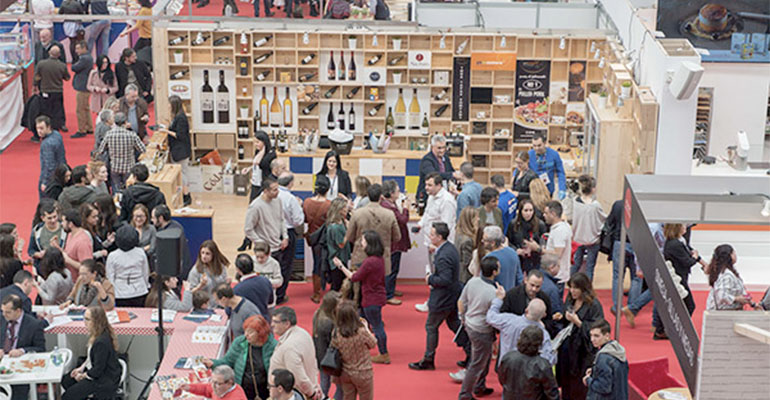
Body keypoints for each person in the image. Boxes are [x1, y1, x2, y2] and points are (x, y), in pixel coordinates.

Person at [409, 222, 465, 371]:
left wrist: (430, 279)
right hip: (452, 295)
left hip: (442, 298)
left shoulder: (443, 255)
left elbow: (444, 279)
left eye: (432, 234)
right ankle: (471, 352)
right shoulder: (449, 248)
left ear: (439, 237)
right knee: (454, 324)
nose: (430, 236)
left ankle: (428, 359)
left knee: (431, 326)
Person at [336, 231, 390, 364]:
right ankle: (366, 346)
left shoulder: (369, 261)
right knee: (364, 322)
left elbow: (353, 277)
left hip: (371, 298)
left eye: (364, 241)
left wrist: (341, 266)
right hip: (375, 296)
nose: (361, 243)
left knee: (376, 326)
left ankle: (384, 353)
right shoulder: (378, 259)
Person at [344, 184, 400, 299]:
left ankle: (360, 314)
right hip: (382, 256)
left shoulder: (357, 213)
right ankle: (375, 315)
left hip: (360, 254)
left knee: (358, 290)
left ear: (368, 196)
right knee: (377, 289)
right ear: (381, 197)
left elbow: (349, 236)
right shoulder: (389, 214)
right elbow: (397, 237)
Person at [202, 315, 278, 400]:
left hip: (266, 392)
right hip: (242, 390)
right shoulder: (240, 342)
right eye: (245, 331)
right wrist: (213, 363)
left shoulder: (274, 347)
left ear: (261, 333)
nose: (246, 335)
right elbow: (227, 361)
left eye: (251, 332)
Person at [556, 272, 604, 400]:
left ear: (584, 288)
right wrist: (562, 317)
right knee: (565, 378)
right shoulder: (570, 299)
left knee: (579, 384)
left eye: (575, 288)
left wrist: (578, 322)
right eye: (571, 287)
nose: (572, 291)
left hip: (583, 350)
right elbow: (566, 317)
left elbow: (598, 329)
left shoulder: (594, 305)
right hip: (568, 346)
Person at [457, 257, 498, 399]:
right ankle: (465, 394)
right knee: (477, 363)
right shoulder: (493, 292)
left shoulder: (472, 281)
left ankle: (479, 386)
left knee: (483, 359)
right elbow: (494, 316)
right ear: (495, 271)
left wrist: (462, 318)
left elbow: (461, 301)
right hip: (482, 330)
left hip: (470, 325)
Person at [243, 178, 290, 302]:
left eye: (278, 189)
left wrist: (285, 236)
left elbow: (281, 220)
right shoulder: (255, 206)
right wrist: (261, 243)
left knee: (278, 276)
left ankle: (277, 299)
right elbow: (248, 229)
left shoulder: (278, 201)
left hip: (278, 246)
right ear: (265, 191)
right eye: (274, 190)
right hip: (264, 250)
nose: (278, 192)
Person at [487, 284, 556, 367]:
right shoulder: (543, 333)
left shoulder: (509, 320)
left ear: (526, 310)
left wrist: (498, 299)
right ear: (544, 315)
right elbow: (549, 359)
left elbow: (490, 317)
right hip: (527, 372)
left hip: (506, 366)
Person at [60, 306, 121, 399]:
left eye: (87, 319)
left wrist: (82, 376)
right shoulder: (97, 334)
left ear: (96, 321)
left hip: (103, 379)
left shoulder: (101, 342)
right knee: (66, 380)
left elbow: (97, 370)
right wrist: (81, 368)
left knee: (67, 397)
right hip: (95, 371)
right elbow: (90, 358)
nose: (84, 322)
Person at [269, 307, 322, 400]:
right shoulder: (303, 333)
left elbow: (299, 377)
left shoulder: (289, 347)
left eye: (275, 322)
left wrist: (312, 393)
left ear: (287, 324)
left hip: (295, 394)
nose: (272, 325)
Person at [1, 295, 47, 400]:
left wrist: (22, 351)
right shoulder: (2, 320)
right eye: (2, 311)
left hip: (20, 368)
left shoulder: (34, 325)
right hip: (2, 363)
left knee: (17, 392)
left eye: (8, 312)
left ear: (18, 311)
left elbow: (41, 349)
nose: (4, 315)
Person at [238, 131, 277, 252]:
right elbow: (255, 164)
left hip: (263, 186)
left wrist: (263, 151)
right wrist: (248, 168)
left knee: (260, 213)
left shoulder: (271, 155)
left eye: (258, 142)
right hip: (254, 184)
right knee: (251, 211)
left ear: (264, 142)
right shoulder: (258, 152)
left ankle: (255, 240)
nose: (256, 144)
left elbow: (260, 164)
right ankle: (247, 239)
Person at [497, 325, 560, 400]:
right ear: (540, 343)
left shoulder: (508, 357)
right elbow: (551, 392)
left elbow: (502, 379)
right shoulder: (542, 365)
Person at [330, 301, 377, 400]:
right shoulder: (361, 332)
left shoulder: (336, 332)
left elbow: (334, 347)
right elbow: (373, 343)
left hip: (346, 372)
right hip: (363, 373)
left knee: (348, 397)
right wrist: (366, 327)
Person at [525, 201, 572, 290]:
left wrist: (538, 249)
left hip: (557, 275)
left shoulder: (560, 231)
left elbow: (557, 254)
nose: (543, 215)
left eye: (546, 213)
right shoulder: (562, 227)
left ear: (553, 214)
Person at [663, 223, 707, 317]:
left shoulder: (680, 241)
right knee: (689, 305)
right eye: (683, 225)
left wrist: (702, 262)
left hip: (681, 276)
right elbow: (688, 261)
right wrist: (694, 257)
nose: (686, 227)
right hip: (678, 277)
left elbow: (689, 252)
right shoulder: (675, 244)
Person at [98, 112, 146, 192]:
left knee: (116, 189)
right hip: (128, 167)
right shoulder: (132, 135)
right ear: (125, 122)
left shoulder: (109, 134)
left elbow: (101, 150)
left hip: (115, 167)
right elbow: (143, 149)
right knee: (129, 189)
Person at [379, 180, 410, 304]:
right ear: (391, 193)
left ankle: (390, 289)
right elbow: (403, 220)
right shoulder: (389, 207)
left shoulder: (387, 203)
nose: (399, 193)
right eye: (397, 191)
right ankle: (388, 294)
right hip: (393, 243)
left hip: (392, 242)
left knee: (391, 267)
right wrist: (405, 208)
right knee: (392, 268)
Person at [571, 175, 606, 281]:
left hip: (578, 238)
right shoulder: (595, 206)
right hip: (592, 240)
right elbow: (603, 219)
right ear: (593, 189)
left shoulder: (575, 202)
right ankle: (587, 290)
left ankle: (570, 284)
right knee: (589, 268)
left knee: (575, 264)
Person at [277, 173, 305, 302]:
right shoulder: (290, 198)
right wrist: (299, 206)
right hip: (288, 232)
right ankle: (280, 295)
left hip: (272, 232)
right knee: (286, 265)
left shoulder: (271, 195)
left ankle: (273, 293)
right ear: (290, 183)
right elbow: (298, 221)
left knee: (274, 262)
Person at [500, 269, 556, 335]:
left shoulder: (544, 298)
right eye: (532, 285)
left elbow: (549, 320)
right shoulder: (512, 295)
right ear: (526, 280)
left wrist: (542, 325)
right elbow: (503, 316)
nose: (534, 289)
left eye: (538, 286)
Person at [106, 224, 150, 307]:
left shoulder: (112, 255)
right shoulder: (141, 252)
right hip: (139, 290)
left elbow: (110, 276)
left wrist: (112, 291)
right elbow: (145, 272)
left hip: (120, 292)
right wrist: (146, 285)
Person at [584, 320, 629, 400]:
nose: (592, 339)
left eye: (596, 336)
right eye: (591, 335)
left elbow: (604, 387)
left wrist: (588, 380)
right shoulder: (618, 351)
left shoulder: (603, 358)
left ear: (607, 336)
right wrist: (595, 370)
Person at [304, 176, 331, 303]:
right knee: (326, 263)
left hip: (312, 238)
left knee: (317, 263)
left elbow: (304, 219)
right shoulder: (329, 205)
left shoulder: (307, 202)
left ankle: (316, 292)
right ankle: (326, 288)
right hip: (325, 239)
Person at [163, 95, 193, 205]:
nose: (168, 106)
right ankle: (185, 195)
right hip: (179, 150)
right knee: (183, 173)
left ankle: (186, 196)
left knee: (183, 174)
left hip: (181, 151)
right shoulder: (177, 116)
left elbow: (180, 135)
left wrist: (166, 131)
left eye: (169, 104)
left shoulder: (181, 118)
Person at [706, 244, 754, 311]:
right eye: (734, 253)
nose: (736, 255)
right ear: (730, 256)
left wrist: (751, 303)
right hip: (723, 312)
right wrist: (736, 299)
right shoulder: (726, 275)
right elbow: (721, 296)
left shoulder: (728, 271)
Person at [312, 291, 341, 399]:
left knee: (324, 381)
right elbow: (333, 341)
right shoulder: (329, 322)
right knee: (339, 385)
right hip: (329, 357)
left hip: (319, 354)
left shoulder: (318, 313)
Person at [34, 47, 70, 131]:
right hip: (58, 90)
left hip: (45, 90)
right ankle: (61, 124)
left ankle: (48, 124)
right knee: (59, 108)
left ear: (49, 52)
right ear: (59, 54)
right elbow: (67, 77)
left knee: (46, 109)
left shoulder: (41, 64)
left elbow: (36, 77)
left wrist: (35, 86)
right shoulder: (62, 65)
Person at [152, 204, 192, 279]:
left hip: (175, 276)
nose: (152, 220)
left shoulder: (167, 237)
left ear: (160, 218)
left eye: (153, 218)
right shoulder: (177, 226)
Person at [507, 199, 546, 274]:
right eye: (526, 210)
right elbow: (508, 241)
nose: (528, 213)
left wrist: (535, 248)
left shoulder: (540, 225)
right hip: (519, 259)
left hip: (535, 259)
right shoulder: (513, 224)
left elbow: (544, 242)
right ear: (520, 211)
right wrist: (516, 250)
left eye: (531, 210)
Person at [189, 240, 231, 307]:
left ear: (214, 254)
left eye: (207, 254)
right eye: (202, 253)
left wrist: (227, 283)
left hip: (220, 304)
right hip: (205, 306)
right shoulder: (195, 271)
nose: (204, 256)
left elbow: (223, 286)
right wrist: (200, 286)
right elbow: (189, 293)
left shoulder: (221, 267)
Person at [416, 135, 456, 204]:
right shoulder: (427, 160)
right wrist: (452, 175)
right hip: (428, 197)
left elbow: (451, 171)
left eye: (444, 147)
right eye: (439, 148)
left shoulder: (446, 158)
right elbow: (434, 175)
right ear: (432, 147)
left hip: (443, 196)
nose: (442, 150)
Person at [482, 226, 523, 291]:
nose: (482, 241)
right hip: (511, 296)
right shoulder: (513, 252)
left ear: (493, 243)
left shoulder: (488, 259)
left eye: (485, 240)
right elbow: (519, 278)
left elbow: (485, 283)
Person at [55, 209, 93, 280]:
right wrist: (57, 247)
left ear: (70, 224)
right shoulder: (70, 235)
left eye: (63, 221)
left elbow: (87, 267)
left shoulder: (82, 242)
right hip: (69, 280)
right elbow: (69, 254)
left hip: (78, 283)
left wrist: (68, 260)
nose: (61, 224)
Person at [233, 253, 274, 318]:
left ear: (238, 270)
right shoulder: (266, 281)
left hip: (248, 323)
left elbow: (232, 310)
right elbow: (270, 303)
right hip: (265, 320)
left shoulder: (237, 289)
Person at [37, 116, 68, 198]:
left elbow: (49, 165)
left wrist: (45, 182)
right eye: (37, 128)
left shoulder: (47, 144)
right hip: (61, 173)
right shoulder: (57, 135)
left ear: (48, 127)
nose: (39, 131)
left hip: (51, 178)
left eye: (41, 128)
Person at [529, 132, 566, 199]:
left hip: (548, 190)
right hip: (534, 190)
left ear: (545, 143)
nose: (537, 148)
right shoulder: (529, 155)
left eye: (539, 145)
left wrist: (562, 189)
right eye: (534, 146)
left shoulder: (554, 155)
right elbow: (520, 169)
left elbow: (560, 172)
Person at [326, 198, 350, 291]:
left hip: (339, 258)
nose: (347, 209)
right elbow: (341, 244)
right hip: (337, 260)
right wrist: (349, 230)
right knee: (337, 286)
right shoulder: (336, 227)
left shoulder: (340, 222)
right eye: (345, 207)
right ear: (340, 210)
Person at [71, 41, 94, 139]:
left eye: (78, 48)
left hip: (83, 86)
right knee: (86, 108)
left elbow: (74, 67)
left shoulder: (84, 59)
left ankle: (82, 129)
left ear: (84, 48)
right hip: (85, 86)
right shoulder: (88, 57)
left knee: (80, 109)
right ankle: (89, 126)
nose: (76, 51)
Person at [182, 365, 247, 400]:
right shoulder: (219, 388)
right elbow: (206, 389)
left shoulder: (237, 397)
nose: (213, 386)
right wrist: (189, 387)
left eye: (217, 383)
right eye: (212, 381)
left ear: (229, 383)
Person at [250, 242, 283, 310]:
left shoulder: (274, 264)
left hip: (269, 300)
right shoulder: (251, 262)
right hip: (254, 299)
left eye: (262, 257)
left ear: (268, 254)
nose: (259, 259)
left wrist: (266, 282)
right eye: (257, 257)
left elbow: (279, 281)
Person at [454, 207, 478, 284]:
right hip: (466, 278)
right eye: (476, 217)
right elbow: (467, 262)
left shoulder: (459, 235)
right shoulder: (468, 241)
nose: (478, 220)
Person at [539, 254, 565, 320]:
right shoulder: (552, 289)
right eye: (558, 266)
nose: (559, 268)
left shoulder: (534, 276)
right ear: (552, 267)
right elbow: (556, 312)